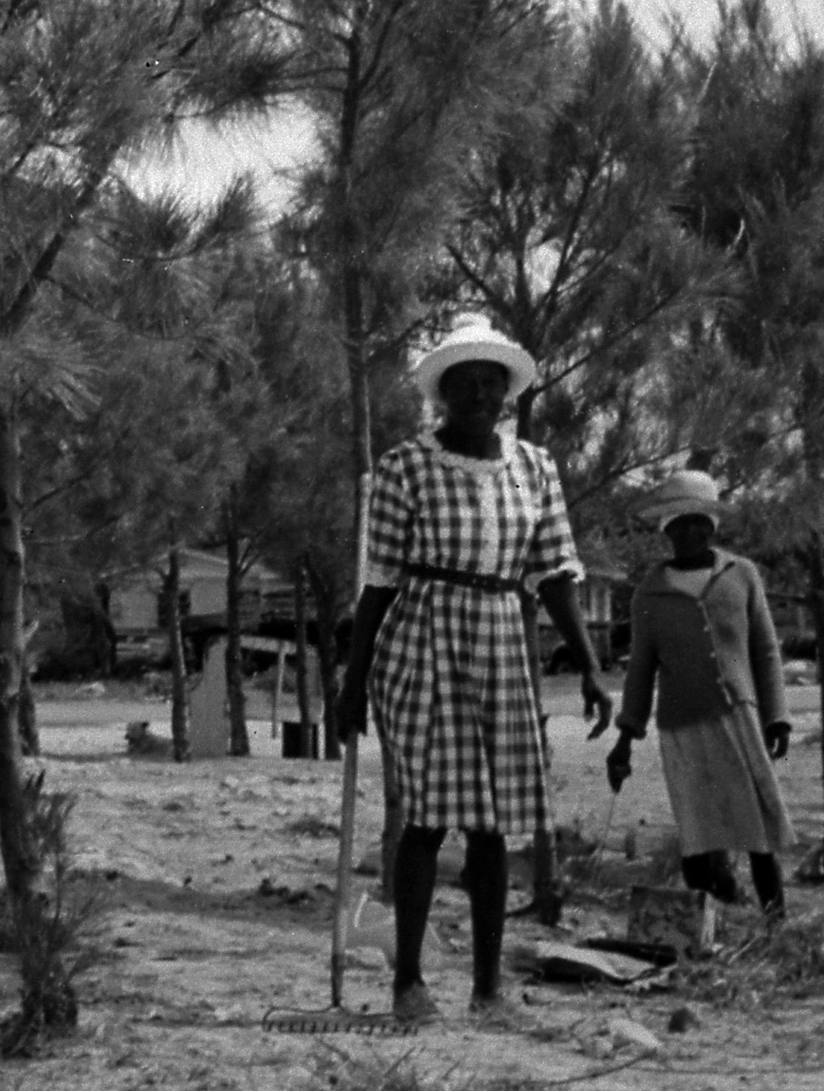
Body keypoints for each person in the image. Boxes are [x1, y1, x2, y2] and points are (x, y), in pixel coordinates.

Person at [328, 315, 613, 1026]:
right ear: (444, 394)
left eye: (494, 382)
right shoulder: (405, 467)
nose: (482, 394)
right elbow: (380, 583)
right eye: (467, 383)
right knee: (425, 818)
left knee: (493, 823)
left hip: (500, 641)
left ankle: (488, 991)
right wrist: (352, 680)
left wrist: (589, 667)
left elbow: (553, 576)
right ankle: (410, 987)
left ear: (510, 392)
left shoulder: (535, 468)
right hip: (422, 639)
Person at [605, 470, 795, 918]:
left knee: (756, 822)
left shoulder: (741, 574)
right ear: (666, 529)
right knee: (696, 826)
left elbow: (765, 650)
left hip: (738, 715)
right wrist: (625, 737)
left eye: (700, 521)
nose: (691, 531)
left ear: (713, 525)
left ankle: (775, 919)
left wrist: (778, 717)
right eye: (680, 522)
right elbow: (640, 669)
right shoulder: (651, 591)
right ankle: (696, 923)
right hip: (681, 725)